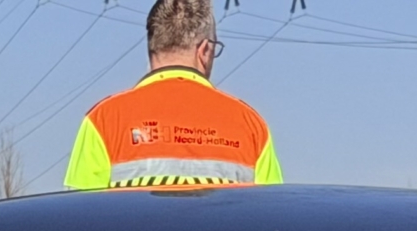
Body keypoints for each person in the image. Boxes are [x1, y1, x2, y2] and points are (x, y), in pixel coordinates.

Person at [63, 0, 282, 192]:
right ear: (205, 50)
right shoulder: (251, 126)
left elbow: (79, 217)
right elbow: (271, 214)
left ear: (152, 47)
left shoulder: (104, 120)